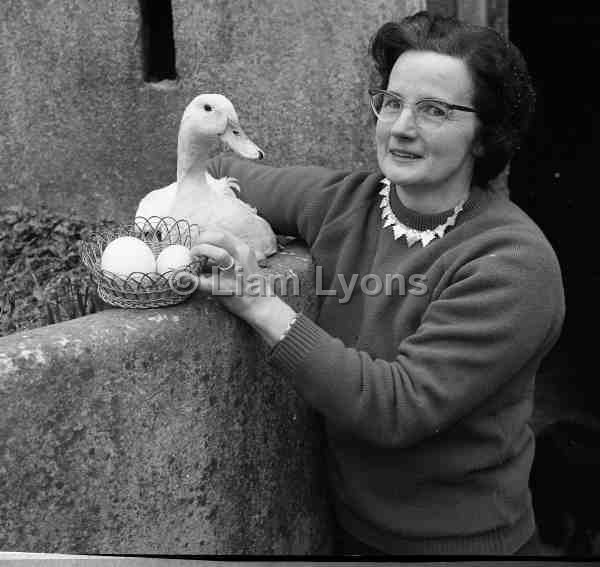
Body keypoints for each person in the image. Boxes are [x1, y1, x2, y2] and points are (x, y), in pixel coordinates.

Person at [192, 11, 565, 555]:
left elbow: (396, 408)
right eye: (392, 102)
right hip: (352, 532)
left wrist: (258, 301)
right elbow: (224, 168)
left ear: (485, 134)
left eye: (434, 110)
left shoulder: (510, 262)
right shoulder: (349, 202)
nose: (401, 127)